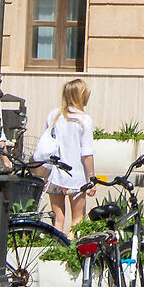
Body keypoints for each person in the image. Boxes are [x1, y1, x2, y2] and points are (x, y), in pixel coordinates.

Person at [39, 78, 97, 227]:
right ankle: (71, 249)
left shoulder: (54, 115)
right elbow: (87, 153)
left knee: (58, 220)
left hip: (55, 175)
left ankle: (56, 248)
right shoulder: (84, 119)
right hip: (76, 177)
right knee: (77, 221)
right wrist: (92, 179)